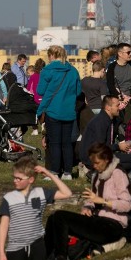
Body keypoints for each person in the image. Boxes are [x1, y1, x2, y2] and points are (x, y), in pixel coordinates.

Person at [45, 143, 131, 260]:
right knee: (53, 218)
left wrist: (103, 201)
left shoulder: (118, 174)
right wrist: (87, 207)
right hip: (97, 220)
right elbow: (91, 199)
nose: (94, 166)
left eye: (97, 163)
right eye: (93, 163)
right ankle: (45, 258)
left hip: (112, 226)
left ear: (107, 160)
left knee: (60, 216)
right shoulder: (97, 176)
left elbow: (127, 205)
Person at [36, 45, 82, 180]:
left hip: (53, 110)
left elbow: (40, 91)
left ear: (51, 55)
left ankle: (55, 171)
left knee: (55, 143)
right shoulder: (73, 71)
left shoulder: (47, 70)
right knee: (67, 143)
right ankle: (67, 172)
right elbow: (78, 91)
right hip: (69, 111)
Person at [78, 95, 131, 175]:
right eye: (117, 105)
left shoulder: (108, 119)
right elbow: (101, 146)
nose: (119, 107)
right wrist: (118, 146)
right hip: (94, 157)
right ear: (108, 107)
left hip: (102, 154)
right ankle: (96, 171)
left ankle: (99, 172)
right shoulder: (100, 121)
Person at [106, 42, 131, 122]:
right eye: (128, 52)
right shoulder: (112, 67)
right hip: (117, 101)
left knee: (129, 123)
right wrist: (118, 96)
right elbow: (110, 84)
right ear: (120, 54)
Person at [26, 58, 46, 136]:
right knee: (43, 113)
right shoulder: (45, 75)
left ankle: (35, 129)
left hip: (35, 98)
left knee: (34, 114)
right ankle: (43, 125)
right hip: (44, 97)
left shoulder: (33, 76)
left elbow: (28, 88)